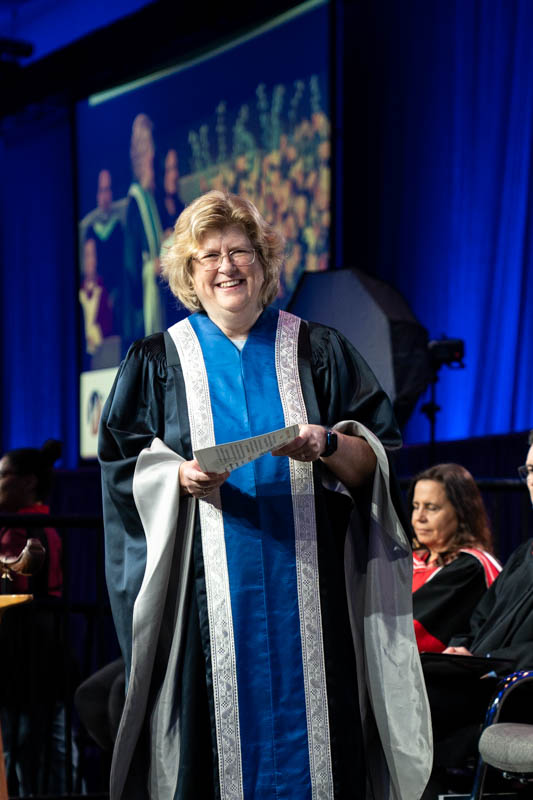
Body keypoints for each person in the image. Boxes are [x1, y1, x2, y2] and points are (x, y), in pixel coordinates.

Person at [99, 190, 432, 800]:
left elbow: (377, 461)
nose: (226, 266)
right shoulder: (157, 362)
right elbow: (122, 467)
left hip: (313, 599)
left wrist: (327, 442)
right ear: (189, 272)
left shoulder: (318, 351)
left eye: (240, 251)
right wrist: (176, 477)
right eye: (209, 256)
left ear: (263, 261)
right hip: (208, 607)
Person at [421, 430, 533, 798]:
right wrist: (460, 650)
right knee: (405, 692)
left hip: (518, 690)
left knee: (416, 709)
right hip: (484, 678)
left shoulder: (475, 563)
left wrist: (488, 661)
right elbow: (479, 619)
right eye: (530, 470)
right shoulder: (526, 553)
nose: (532, 480)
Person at [0, 439, 74, 795]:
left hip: (26, 650)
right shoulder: (36, 525)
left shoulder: (23, 530)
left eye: (3, 475)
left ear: (28, 481)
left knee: (27, 743)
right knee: (49, 742)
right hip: (43, 649)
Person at [410, 463, 501, 652]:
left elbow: (411, 631)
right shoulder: (411, 562)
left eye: (431, 508)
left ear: (461, 512)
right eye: (416, 506)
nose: (419, 517)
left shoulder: (471, 568)